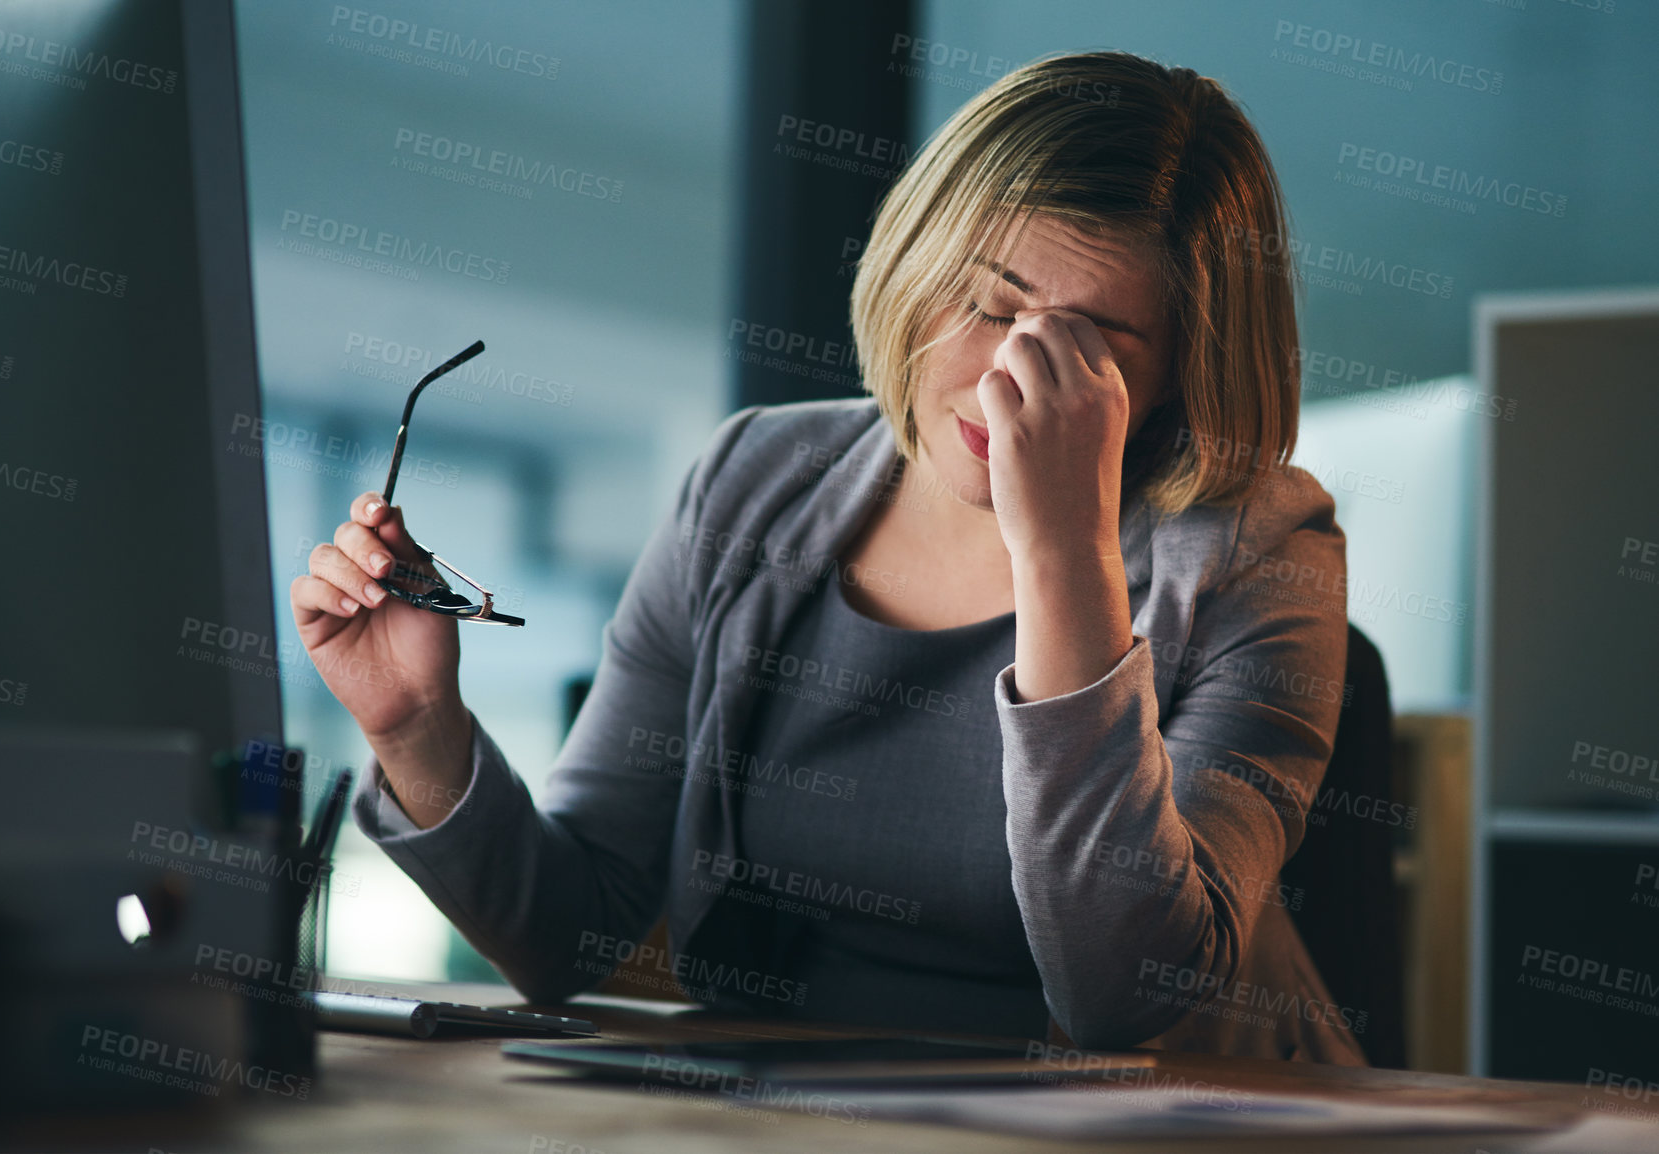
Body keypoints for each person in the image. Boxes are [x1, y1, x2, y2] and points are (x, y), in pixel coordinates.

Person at [292, 51, 1363, 1063]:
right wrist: (416, 726)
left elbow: (1127, 999)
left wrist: (1064, 554)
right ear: (912, 262)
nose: (1005, 376)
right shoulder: (753, 481)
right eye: (985, 304)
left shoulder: (1263, 550)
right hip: (793, 1109)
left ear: (1182, 368)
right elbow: (565, 935)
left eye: (1085, 347)